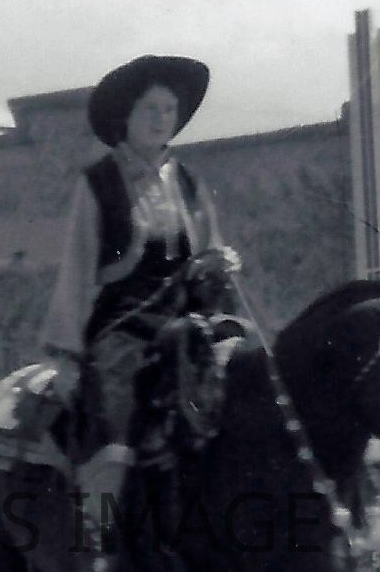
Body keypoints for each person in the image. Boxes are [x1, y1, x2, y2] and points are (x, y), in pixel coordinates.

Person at [41, 53, 235, 542]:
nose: (160, 119)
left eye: (169, 110)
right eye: (150, 109)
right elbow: (77, 267)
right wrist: (65, 354)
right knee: (114, 402)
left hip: (189, 313)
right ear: (125, 116)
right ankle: (101, 527)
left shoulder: (188, 181)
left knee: (246, 376)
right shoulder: (98, 183)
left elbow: (207, 247)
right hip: (125, 319)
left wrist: (218, 261)